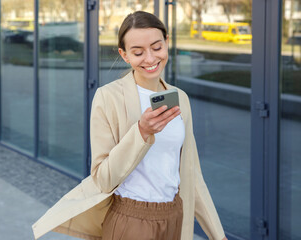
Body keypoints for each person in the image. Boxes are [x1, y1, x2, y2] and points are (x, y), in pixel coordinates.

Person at [32, 11, 227, 240]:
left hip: (175, 218)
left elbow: (192, 174)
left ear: (166, 42)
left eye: (157, 47)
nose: (150, 58)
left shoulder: (179, 98)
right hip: (131, 221)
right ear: (124, 55)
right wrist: (142, 133)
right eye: (138, 52)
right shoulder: (108, 97)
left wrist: (217, 234)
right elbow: (103, 178)